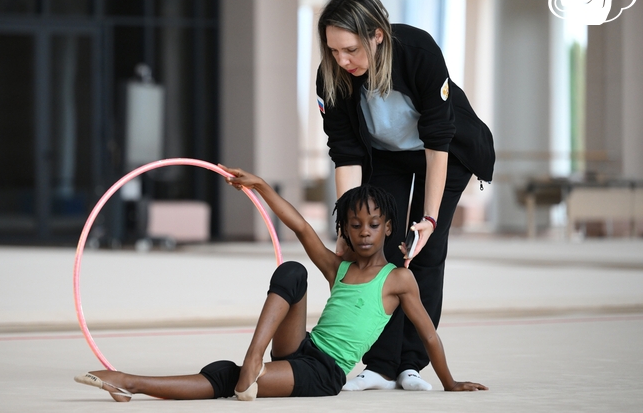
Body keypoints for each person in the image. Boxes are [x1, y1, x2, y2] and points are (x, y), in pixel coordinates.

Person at [74, 166, 487, 402]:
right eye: (355, 225)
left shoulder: (398, 280)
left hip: (327, 373)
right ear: (345, 228)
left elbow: (429, 336)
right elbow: (301, 227)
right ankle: (254, 357)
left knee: (227, 376)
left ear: (388, 227)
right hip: (303, 347)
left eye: (373, 225)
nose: (364, 233)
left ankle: (129, 382)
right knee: (293, 270)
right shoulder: (339, 267)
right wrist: (262, 187)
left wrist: (450, 382)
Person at [316, 0, 495, 391]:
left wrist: (428, 219)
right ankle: (379, 366)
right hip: (387, 156)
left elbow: (438, 143)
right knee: (377, 248)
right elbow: (345, 155)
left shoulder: (418, 51)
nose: (342, 60)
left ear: (377, 35)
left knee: (422, 250)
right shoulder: (332, 77)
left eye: (350, 50)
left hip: (445, 154)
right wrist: (347, 231)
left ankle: (410, 365)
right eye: (333, 50)